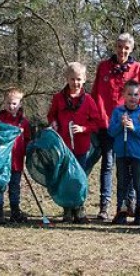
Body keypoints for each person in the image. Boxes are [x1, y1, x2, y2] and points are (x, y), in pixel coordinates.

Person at [91, 32, 140, 220]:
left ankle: (130, 205)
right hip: (108, 123)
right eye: (119, 46)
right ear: (115, 46)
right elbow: (95, 94)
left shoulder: (138, 69)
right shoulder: (104, 67)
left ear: (131, 48)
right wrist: (97, 118)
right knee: (109, 165)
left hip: (132, 124)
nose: (122, 50)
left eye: (126, 47)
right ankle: (105, 205)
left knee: (131, 166)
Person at [47, 62, 100, 223]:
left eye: (79, 79)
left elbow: (97, 123)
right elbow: (51, 115)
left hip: (82, 148)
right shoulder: (58, 98)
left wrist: (84, 129)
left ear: (84, 79)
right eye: (72, 79)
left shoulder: (89, 100)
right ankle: (67, 209)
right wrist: (53, 123)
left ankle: (79, 209)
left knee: (79, 178)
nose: (75, 83)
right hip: (64, 148)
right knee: (64, 178)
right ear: (66, 79)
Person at [107, 80, 140, 225]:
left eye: (136, 94)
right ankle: (122, 212)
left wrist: (134, 128)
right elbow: (111, 132)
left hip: (137, 155)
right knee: (122, 184)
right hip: (121, 154)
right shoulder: (118, 112)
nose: (133, 97)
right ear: (124, 95)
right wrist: (121, 124)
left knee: (139, 184)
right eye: (129, 94)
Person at [0, 87, 31, 225]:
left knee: (14, 187)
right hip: (1, 162)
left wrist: (29, 152)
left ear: (20, 104)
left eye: (14, 103)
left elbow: (27, 140)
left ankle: (15, 212)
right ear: (4, 103)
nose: (11, 106)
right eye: (8, 103)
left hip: (16, 161)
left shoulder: (24, 122)